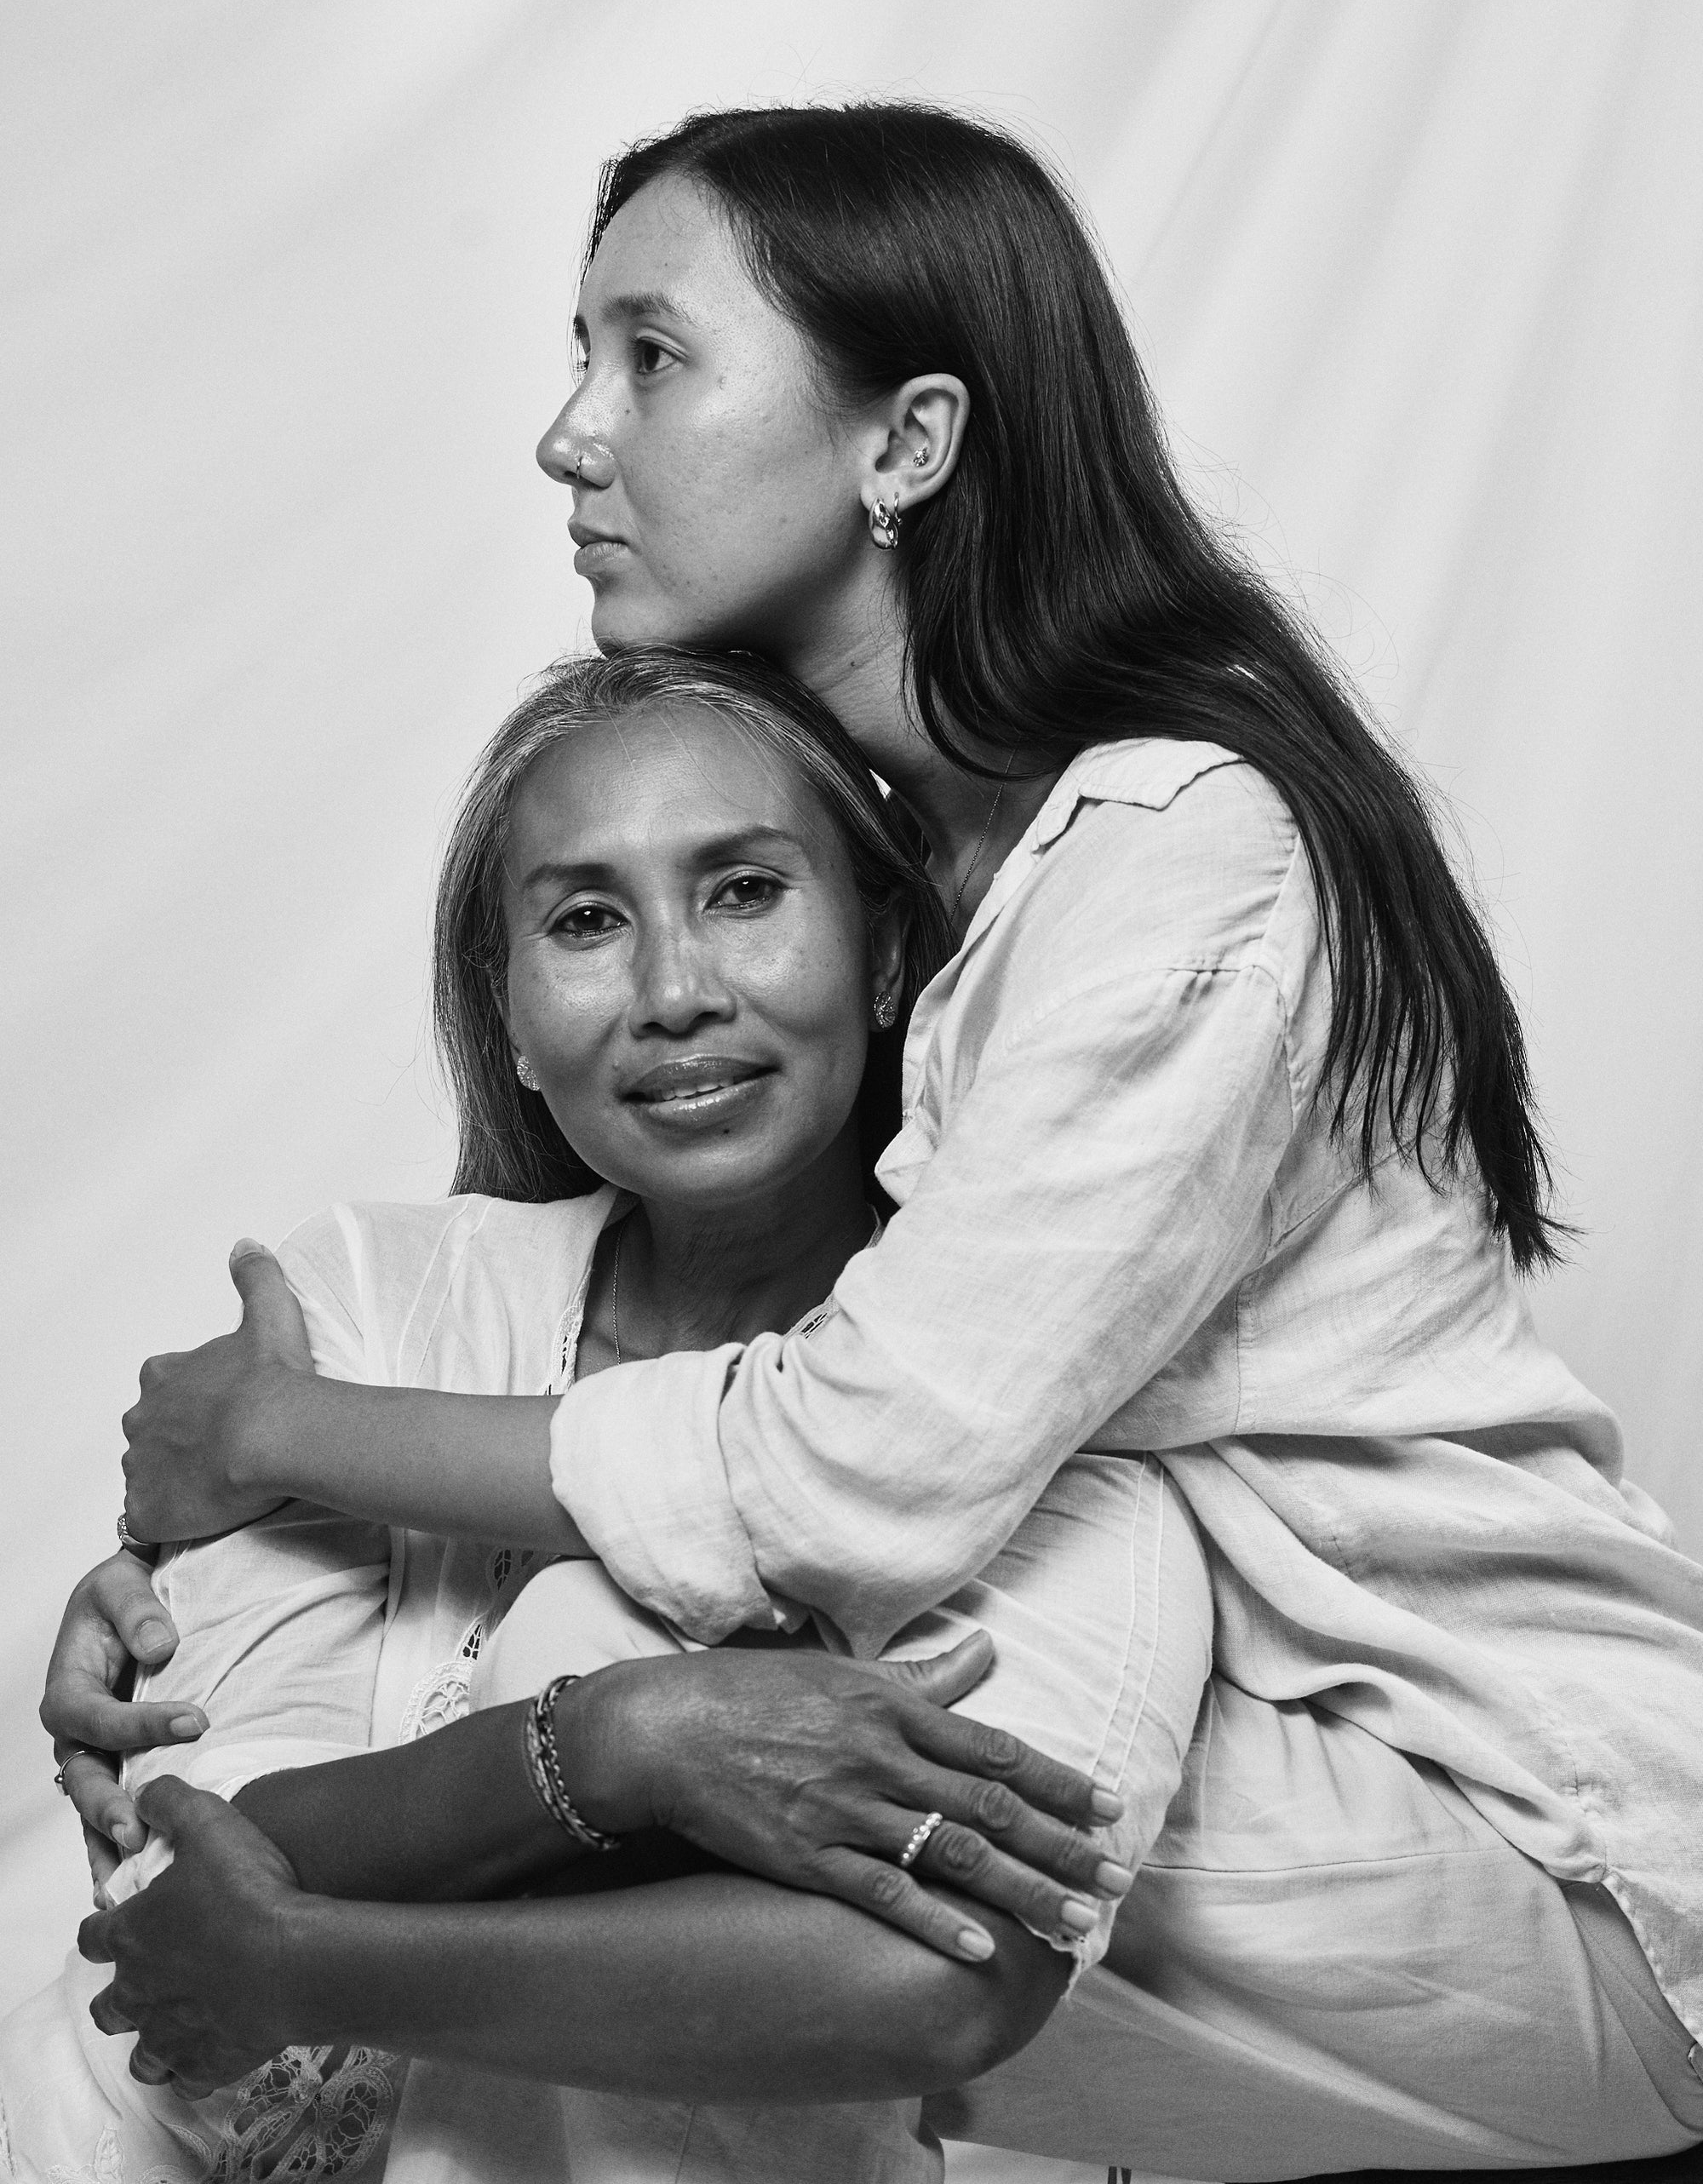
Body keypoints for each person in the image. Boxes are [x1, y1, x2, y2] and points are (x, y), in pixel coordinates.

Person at [57, 104, 1703, 2173]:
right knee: (582, 1716)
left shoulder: (1179, 843)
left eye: (651, 357)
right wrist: (191, 1582)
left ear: (905, 444)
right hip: (1264, 1800)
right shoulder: (925, 851)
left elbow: (866, 1467)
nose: (574, 434)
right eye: (580, 357)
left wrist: (281, 1445)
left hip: (1538, 1853)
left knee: (624, 1670)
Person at [11, 648, 1201, 2184]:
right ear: (506, 1014)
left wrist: (389, 1860)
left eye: (746, 892)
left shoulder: (1059, 1417)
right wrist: (618, 1752)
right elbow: (178, 1850)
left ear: (887, 948)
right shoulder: (363, 1298)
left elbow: (949, 1964)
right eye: (585, 922)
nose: (675, 992)